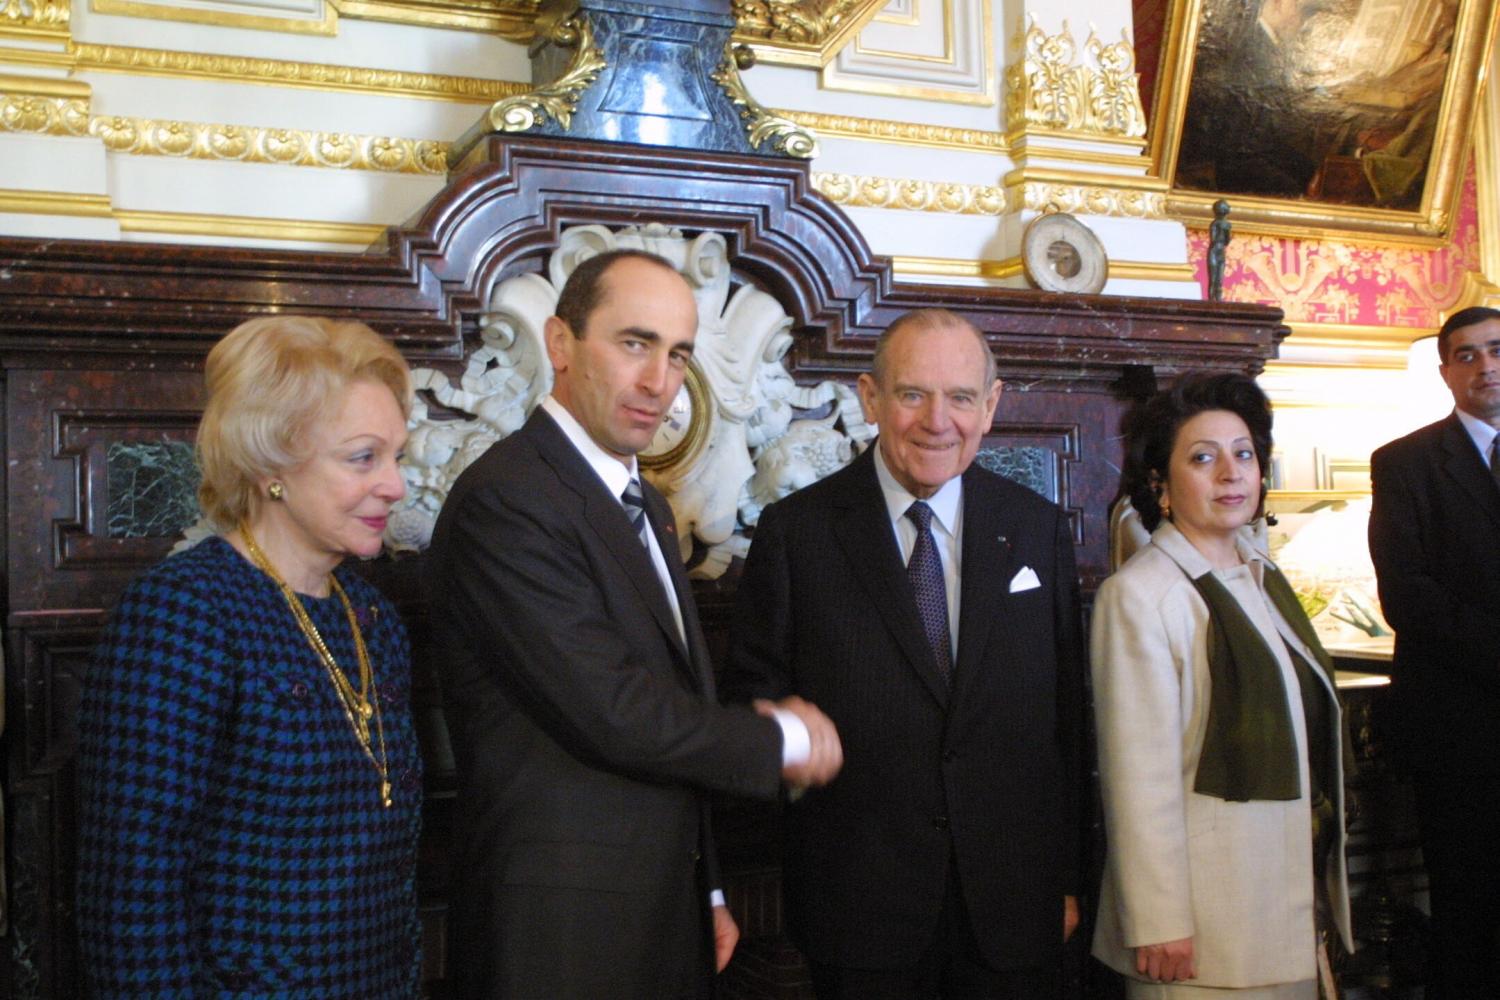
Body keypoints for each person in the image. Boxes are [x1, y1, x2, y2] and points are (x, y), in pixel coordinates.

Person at [428, 248, 843, 1000]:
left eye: (678, 354)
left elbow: (673, 694)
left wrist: (707, 889)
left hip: (658, 911)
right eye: (634, 344)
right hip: (556, 933)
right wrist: (781, 739)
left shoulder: (643, 499)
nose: (660, 383)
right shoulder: (510, 500)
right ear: (559, 343)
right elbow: (615, 711)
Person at [724, 308, 1086, 999]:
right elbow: (747, 707)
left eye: (960, 398)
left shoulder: (1036, 530)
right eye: (914, 394)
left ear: (991, 406)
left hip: (1013, 914)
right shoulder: (795, 535)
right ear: (871, 399)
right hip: (859, 915)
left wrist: (1068, 881)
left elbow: (1067, 726)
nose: (937, 421)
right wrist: (786, 735)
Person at [76, 316, 424, 997]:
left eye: (398, 457)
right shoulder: (184, 611)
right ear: (270, 467)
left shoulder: (371, 615)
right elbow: (131, 894)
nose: (396, 486)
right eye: (363, 458)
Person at [1091, 372, 1353, 998]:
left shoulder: (1262, 576)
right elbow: (1137, 776)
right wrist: (1159, 922)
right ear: (1161, 483)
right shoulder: (1142, 595)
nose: (1231, 473)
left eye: (1244, 454)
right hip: (1199, 931)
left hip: (1281, 902)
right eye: (1203, 458)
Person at [1369, 305, 1500, 998]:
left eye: (1496, 350)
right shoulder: (1405, 463)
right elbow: (1408, 595)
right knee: (1469, 916)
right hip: (1462, 732)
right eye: (1468, 355)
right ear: (1447, 370)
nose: (1485, 366)